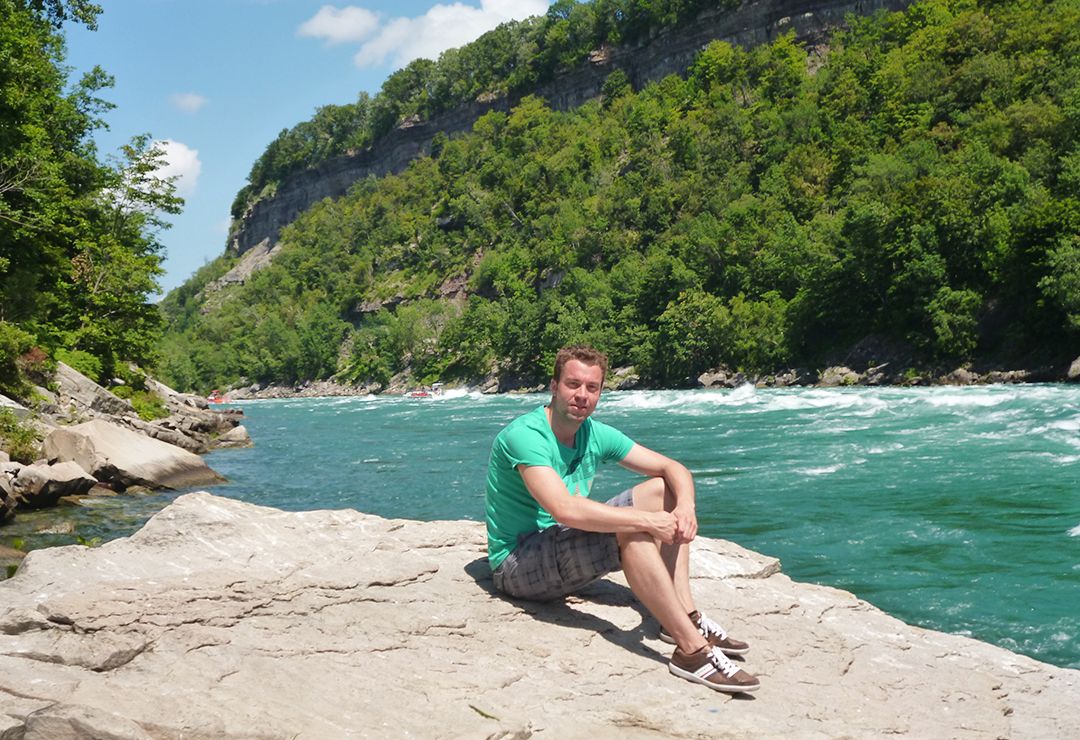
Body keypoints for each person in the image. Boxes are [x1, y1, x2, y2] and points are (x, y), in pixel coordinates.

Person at [485, 345, 760, 693]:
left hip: (561, 541)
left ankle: (683, 614)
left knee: (665, 490)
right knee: (634, 528)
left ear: (600, 392)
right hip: (517, 563)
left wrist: (685, 508)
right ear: (554, 386)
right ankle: (691, 651)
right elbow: (563, 509)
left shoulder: (594, 433)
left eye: (592, 388)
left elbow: (672, 468)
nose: (582, 396)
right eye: (573, 384)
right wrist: (646, 522)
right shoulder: (526, 435)